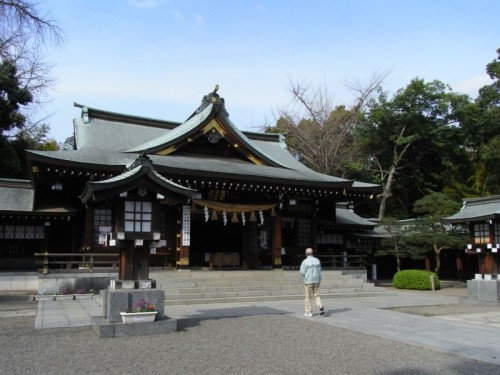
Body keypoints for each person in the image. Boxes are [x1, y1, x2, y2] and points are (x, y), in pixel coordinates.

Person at [299, 247, 325, 317]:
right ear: (312, 253)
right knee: (317, 295)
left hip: (308, 281)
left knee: (308, 297)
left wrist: (306, 275)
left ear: (306, 253)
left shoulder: (305, 261)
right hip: (317, 281)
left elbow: (302, 272)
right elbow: (320, 270)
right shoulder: (317, 260)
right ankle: (320, 306)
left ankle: (309, 312)